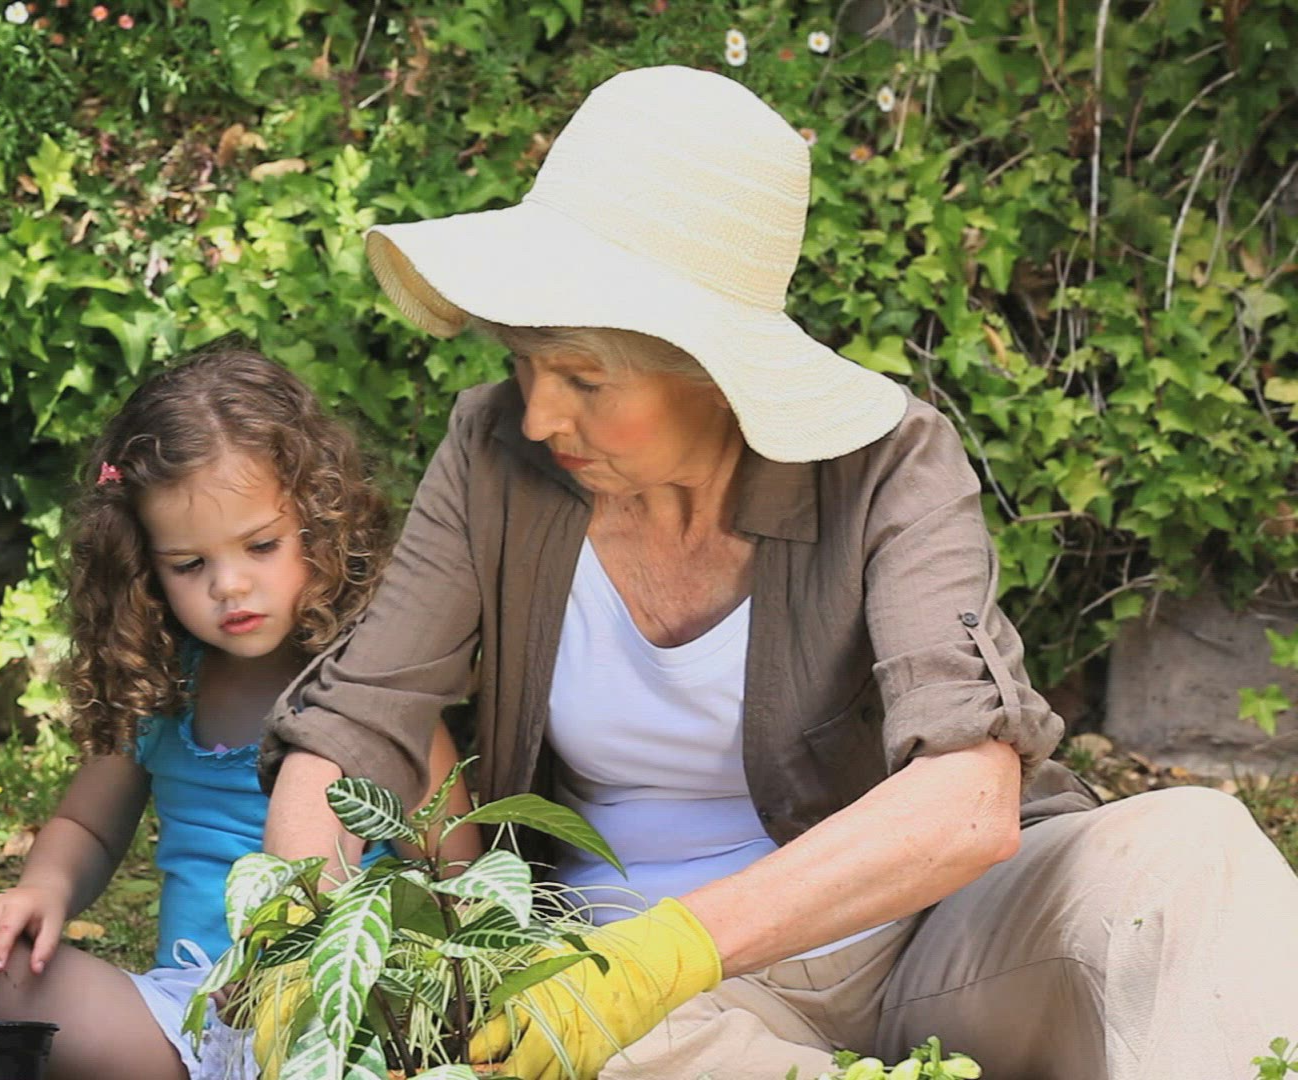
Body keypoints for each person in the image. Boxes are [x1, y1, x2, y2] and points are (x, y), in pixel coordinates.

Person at [258, 67, 1298, 1080]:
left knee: (1191, 849)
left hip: (924, 946)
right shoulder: (495, 456)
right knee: (590, 1047)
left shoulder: (887, 465)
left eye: (583, 378)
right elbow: (361, 721)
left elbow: (969, 799)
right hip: (637, 1007)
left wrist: (670, 950)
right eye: (527, 363)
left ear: (715, 372)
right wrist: (292, 935)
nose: (539, 415)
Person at [0, 344, 476, 1079]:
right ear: (142, 566)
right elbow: (88, 825)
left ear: (322, 523)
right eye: (190, 564)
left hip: (340, 1028)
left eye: (261, 546)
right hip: (180, 1021)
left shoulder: (374, 694)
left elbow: (457, 880)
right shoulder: (164, 687)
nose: (229, 585)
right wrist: (41, 888)